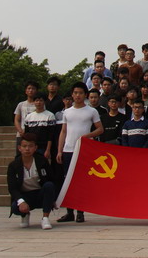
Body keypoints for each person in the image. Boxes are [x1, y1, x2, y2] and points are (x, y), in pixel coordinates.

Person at [56, 83, 103, 223]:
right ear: (72, 94)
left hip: (83, 150)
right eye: (75, 93)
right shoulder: (67, 112)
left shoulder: (91, 111)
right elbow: (63, 131)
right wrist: (59, 150)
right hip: (68, 149)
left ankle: (80, 212)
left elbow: (100, 129)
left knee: (81, 181)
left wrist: (87, 136)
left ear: (85, 95)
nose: (78, 95)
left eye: (81, 93)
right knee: (68, 181)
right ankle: (69, 212)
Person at [8, 133, 56, 230]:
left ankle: (45, 218)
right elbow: (12, 188)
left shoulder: (42, 161)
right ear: (19, 148)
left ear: (35, 148)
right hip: (25, 195)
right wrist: (21, 201)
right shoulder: (13, 165)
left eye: (30, 146)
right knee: (15, 207)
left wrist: (53, 198)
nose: (27, 149)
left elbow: (51, 179)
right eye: (24, 146)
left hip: (39, 193)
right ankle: (24, 215)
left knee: (49, 185)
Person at [22, 92, 56, 158]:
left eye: (41, 100)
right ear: (34, 102)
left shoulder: (50, 115)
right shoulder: (29, 117)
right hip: (32, 147)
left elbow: (51, 135)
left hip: (44, 147)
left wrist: (48, 149)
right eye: (36, 100)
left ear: (44, 102)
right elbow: (26, 134)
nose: (38, 102)